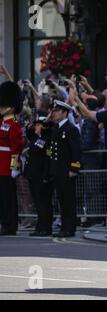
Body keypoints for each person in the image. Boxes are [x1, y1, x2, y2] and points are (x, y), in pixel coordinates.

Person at [49, 100, 82, 238]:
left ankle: (70, 227)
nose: (54, 114)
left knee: (69, 200)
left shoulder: (71, 129)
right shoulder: (55, 128)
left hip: (67, 170)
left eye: (57, 111)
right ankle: (64, 226)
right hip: (57, 170)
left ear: (64, 113)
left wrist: (74, 168)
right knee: (61, 200)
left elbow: (76, 151)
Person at [24, 111, 54, 237]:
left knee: (43, 203)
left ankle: (45, 227)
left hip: (41, 176)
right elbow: (28, 132)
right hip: (33, 175)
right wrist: (32, 124)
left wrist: (46, 175)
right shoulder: (35, 138)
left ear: (43, 126)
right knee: (38, 202)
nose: (35, 127)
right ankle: (40, 226)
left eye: (38, 125)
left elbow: (47, 158)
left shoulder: (46, 140)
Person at [0, 81, 24, 236]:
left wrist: (13, 167)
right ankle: (4, 223)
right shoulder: (2, 123)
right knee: (2, 199)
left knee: (8, 199)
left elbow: (16, 149)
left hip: (7, 167)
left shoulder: (14, 125)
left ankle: (10, 225)